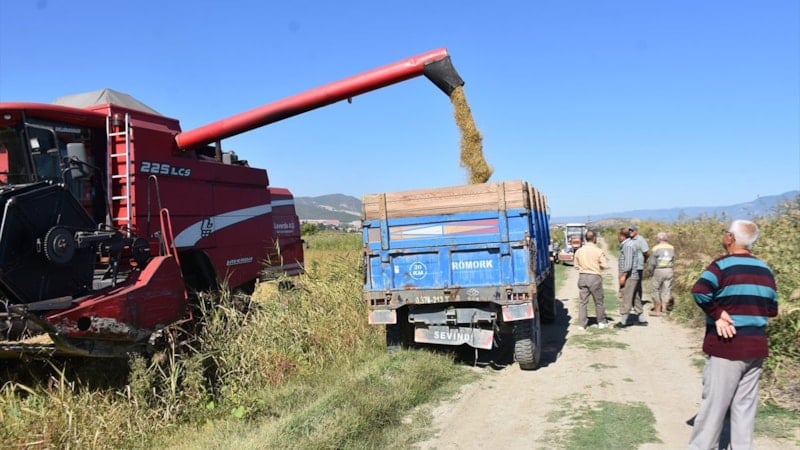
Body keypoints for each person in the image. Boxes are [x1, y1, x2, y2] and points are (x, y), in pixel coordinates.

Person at [687, 220, 779, 449]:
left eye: (725, 233)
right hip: (755, 347)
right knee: (745, 408)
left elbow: (700, 291)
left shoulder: (721, 265)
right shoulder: (764, 268)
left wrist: (718, 314)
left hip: (726, 347)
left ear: (730, 238)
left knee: (714, 408)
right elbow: (772, 309)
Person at [573, 229, 609, 330]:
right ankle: (601, 321)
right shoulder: (598, 251)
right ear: (594, 238)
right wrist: (598, 266)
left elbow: (576, 266)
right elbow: (605, 265)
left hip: (583, 276)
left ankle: (582, 324)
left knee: (582, 302)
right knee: (598, 301)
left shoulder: (579, 251)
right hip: (594, 276)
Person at [615, 228, 647, 328]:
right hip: (633, 275)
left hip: (630, 276)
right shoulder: (630, 244)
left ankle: (623, 321)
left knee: (627, 297)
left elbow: (628, 263)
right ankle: (642, 319)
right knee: (635, 298)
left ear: (622, 236)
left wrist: (624, 276)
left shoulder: (628, 246)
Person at [648, 231, 674, 316]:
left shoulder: (656, 248)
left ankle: (657, 309)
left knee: (655, 289)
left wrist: (650, 271)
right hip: (669, 269)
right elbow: (673, 259)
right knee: (666, 289)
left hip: (659, 270)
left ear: (659, 239)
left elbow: (652, 262)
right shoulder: (671, 248)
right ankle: (664, 309)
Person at [628, 224, 650, 314]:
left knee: (637, 285)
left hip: (638, 266)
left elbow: (646, 252)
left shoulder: (640, 239)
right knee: (630, 285)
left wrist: (644, 260)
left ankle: (638, 303)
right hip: (630, 265)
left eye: (632, 230)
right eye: (629, 230)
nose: (630, 232)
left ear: (636, 231)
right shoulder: (629, 240)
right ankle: (631, 303)